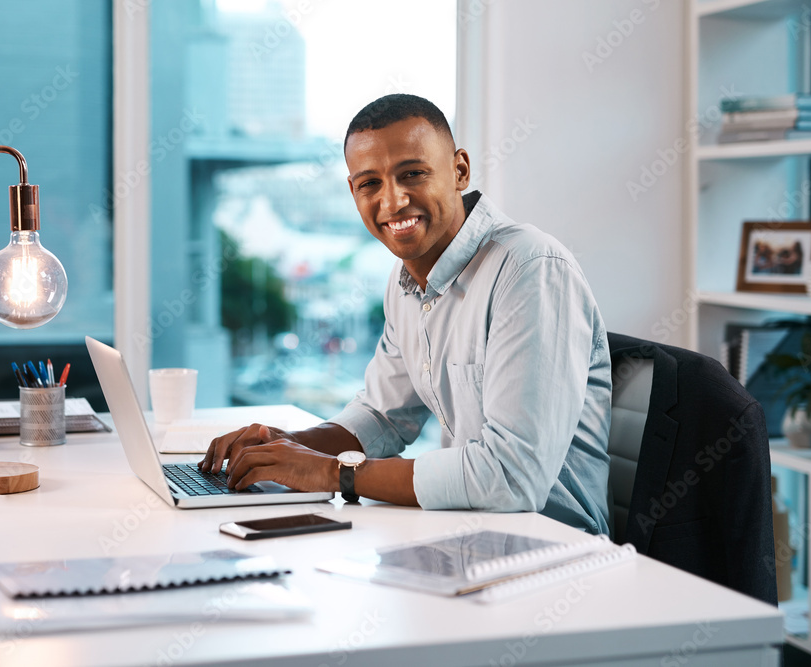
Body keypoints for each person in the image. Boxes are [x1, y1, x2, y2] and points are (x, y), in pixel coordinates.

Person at [200, 94, 612, 534]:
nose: (393, 202)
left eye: (412, 174)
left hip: (554, 546)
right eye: (369, 183)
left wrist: (331, 473)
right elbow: (382, 416)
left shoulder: (530, 269)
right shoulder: (406, 282)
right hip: (465, 534)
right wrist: (285, 449)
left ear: (460, 171)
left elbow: (513, 478)